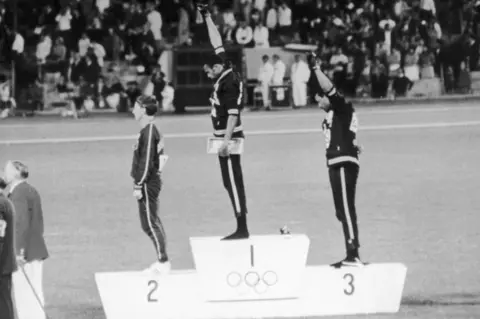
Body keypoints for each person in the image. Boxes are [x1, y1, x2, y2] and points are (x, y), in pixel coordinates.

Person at [197, 2, 250, 240]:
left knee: (233, 180)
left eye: (209, 71)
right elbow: (215, 39)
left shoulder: (229, 83)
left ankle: (242, 227)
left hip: (229, 138)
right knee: (229, 182)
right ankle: (240, 223)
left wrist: (226, 142)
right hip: (225, 137)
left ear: (218, 67)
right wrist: (206, 15)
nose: (208, 74)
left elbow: (232, 114)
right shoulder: (224, 70)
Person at [308, 53, 364, 267]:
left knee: (347, 208)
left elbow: (328, 88)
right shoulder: (335, 115)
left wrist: (316, 69)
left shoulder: (341, 107)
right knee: (341, 210)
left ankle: (353, 253)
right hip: (337, 161)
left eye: (320, 99)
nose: (319, 103)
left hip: (342, 161)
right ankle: (351, 251)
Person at [4, 160, 49, 319]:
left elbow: (20, 224)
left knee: (25, 295)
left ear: (16, 173)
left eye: (7, 170)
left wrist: (18, 252)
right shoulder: (28, 190)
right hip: (34, 250)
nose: (4, 173)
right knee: (33, 292)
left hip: (26, 254)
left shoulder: (19, 193)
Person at [131, 95, 170, 274]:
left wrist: (139, 183)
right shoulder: (149, 130)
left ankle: (163, 261)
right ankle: (162, 259)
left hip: (147, 182)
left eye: (136, 106)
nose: (133, 109)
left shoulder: (149, 131)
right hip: (149, 181)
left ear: (144, 110)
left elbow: (146, 162)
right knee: (150, 222)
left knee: (150, 222)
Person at [0, 177, 16, 319]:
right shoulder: (6, 202)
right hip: (6, 262)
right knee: (5, 301)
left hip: (1, 263)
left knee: (3, 303)